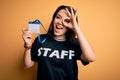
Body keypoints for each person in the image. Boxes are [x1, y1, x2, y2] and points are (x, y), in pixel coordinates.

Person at [22, 5, 95, 80]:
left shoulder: (75, 43)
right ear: (53, 19)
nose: (60, 22)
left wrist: (76, 28)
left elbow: (91, 58)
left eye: (66, 20)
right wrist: (28, 45)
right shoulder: (40, 40)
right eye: (58, 17)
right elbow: (27, 65)